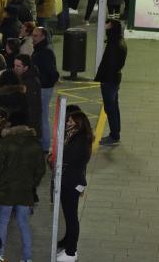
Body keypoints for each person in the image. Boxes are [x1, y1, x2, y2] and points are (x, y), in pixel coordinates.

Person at [0, 111, 46, 262]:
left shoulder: (5, 142)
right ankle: (27, 257)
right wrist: (32, 184)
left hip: (6, 190)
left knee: (2, 222)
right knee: (24, 223)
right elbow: (41, 169)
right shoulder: (35, 143)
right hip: (25, 191)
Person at [56, 110, 93, 262]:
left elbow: (65, 156)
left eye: (71, 122)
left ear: (78, 124)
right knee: (69, 215)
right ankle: (67, 242)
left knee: (71, 218)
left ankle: (71, 251)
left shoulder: (79, 141)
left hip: (71, 183)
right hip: (70, 180)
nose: (67, 124)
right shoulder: (77, 137)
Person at [96, 18, 127, 146]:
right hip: (114, 79)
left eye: (108, 24)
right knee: (114, 106)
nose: (106, 25)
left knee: (110, 108)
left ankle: (114, 135)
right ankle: (116, 133)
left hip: (109, 81)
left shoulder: (114, 45)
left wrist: (104, 80)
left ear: (113, 27)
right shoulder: (118, 41)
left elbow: (110, 65)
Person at [32, 26, 59, 152]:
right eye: (33, 35)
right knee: (41, 115)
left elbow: (52, 72)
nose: (33, 38)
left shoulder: (45, 51)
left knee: (43, 116)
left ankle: (45, 145)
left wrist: (46, 83)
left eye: (36, 35)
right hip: (42, 86)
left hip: (43, 88)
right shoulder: (40, 49)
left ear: (43, 37)